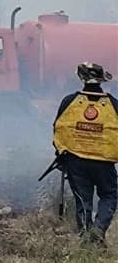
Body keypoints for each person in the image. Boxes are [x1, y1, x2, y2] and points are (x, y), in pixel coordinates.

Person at [53, 62, 118, 244]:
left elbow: (58, 130)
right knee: (109, 195)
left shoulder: (69, 102)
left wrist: (61, 154)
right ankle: (98, 229)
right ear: (101, 80)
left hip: (76, 161)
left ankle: (85, 239)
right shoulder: (113, 104)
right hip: (104, 162)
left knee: (83, 200)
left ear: (81, 79)